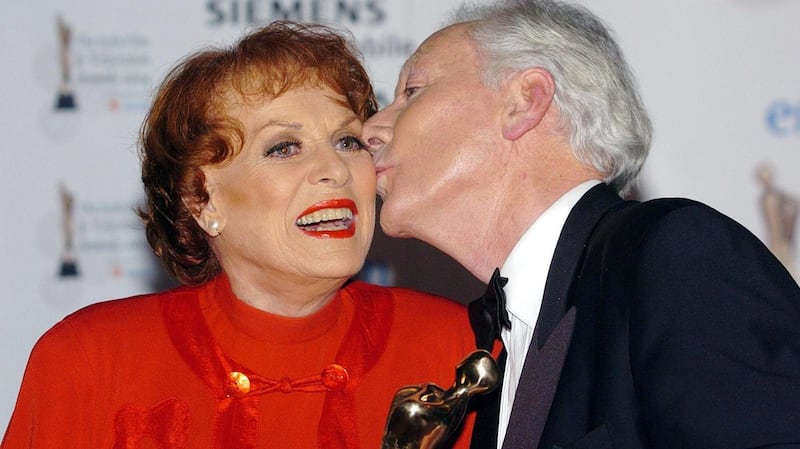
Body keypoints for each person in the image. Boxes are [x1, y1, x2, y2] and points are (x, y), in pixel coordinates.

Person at [1, 21, 477, 449]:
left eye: (348, 141)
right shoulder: (88, 359)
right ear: (202, 201)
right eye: (283, 147)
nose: (335, 168)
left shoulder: (454, 348)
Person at [361, 0, 800, 448]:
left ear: (525, 101)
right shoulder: (495, 345)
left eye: (412, 91)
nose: (372, 129)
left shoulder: (679, 255)